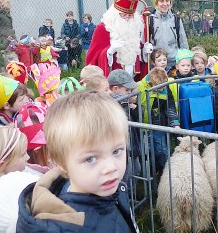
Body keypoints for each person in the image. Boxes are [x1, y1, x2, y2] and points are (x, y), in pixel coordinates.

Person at [17, 91, 139, 232]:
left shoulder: (110, 189)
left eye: (116, 151)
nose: (111, 168)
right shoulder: (63, 227)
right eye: (90, 159)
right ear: (62, 163)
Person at [86, 0, 151, 78]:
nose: (127, 18)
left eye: (130, 15)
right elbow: (92, 60)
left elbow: (136, 54)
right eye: (124, 14)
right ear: (115, 13)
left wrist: (144, 52)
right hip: (113, 83)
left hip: (133, 80)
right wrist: (109, 52)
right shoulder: (103, 28)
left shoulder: (135, 27)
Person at [137, 67, 180, 170]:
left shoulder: (165, 88)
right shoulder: (139, 87)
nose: (162, 90)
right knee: (146, 150)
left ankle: (166, 170)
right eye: (159, 88)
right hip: (142, 125)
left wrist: (175, 123)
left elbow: (170, 107)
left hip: (158, 124)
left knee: (162, 150)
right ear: (151, 83)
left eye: (163, 87)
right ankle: (150, 171)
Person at [149, 0, 189, 70]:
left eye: (167, 1)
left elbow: (183, 41)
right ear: (156, 3)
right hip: (156, 64)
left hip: (173, 62)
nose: (165, 4)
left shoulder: (176, 20)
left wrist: (186, 60)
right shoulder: (150, 20)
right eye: (161, 1)